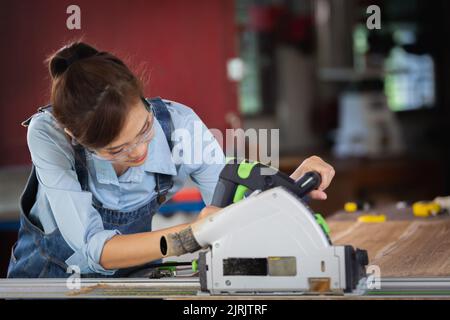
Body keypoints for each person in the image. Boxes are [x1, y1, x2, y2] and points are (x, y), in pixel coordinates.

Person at [7, 42, 335, 278]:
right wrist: (193, 234)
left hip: (127, 281)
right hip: (47, 281)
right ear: (74, 136)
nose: (138, 151)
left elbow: (231, 189)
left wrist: (284, 190)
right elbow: (96, 249)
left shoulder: (178, 124)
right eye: (115, 150)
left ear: (141, 97)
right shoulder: (48, 134)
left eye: (144, 129)